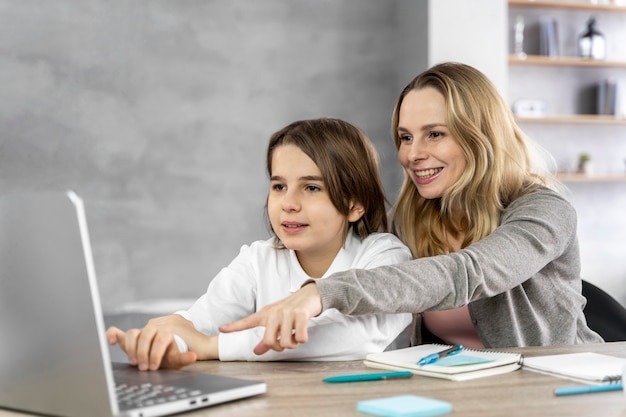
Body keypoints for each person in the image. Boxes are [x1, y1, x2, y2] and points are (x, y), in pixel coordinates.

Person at [220, 62, 604, 355]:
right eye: (405, 137)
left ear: (480, 135)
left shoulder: (545, 211)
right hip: (454, 388)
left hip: (552, 387)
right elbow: (375, 289)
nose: (413, 154)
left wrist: (320, 293)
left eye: (434, 134)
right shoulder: (410, 219)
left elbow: (466, 274)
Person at [106, 117, 413, 370]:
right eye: (279, 186)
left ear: (354, 204)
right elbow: (201, 323)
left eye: (311, 187)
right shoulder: (258, 260)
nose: (288, 203)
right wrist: (166, 340)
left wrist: (211, 346)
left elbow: (355, 337)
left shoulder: (385, 256)